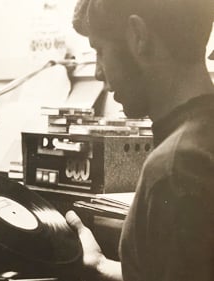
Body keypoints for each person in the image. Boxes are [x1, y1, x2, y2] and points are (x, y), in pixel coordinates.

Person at [65, 0, 214, 280]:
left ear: (138, 36)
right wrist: (100, 265)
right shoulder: (197, 141)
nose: (99, 72)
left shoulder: (175, 166)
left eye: (100, 50)